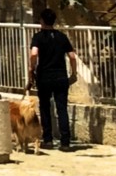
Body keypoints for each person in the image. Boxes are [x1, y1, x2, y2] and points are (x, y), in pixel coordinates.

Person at [29, 8, 79, 152]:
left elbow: (34, 54)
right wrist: (73, 73)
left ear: (42, 21)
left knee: (45, 108)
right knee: (62, 108)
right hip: (60, 76)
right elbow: (72, 56)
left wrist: (32, 69)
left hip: (44, 76)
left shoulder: (38, 37)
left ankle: (48, 140)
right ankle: (65, 142)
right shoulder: (62, 37)